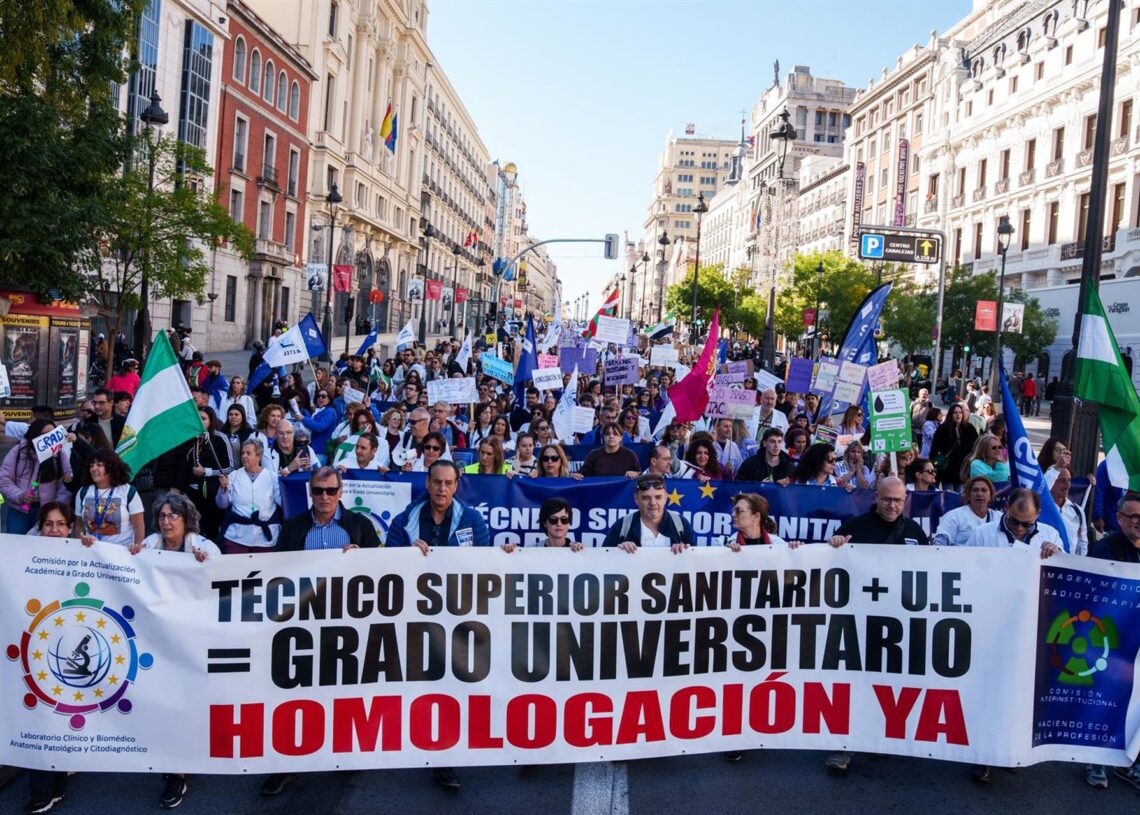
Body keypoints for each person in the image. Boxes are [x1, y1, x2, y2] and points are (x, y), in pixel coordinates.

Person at [23, 502, 78, 814]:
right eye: (48, 525)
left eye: (60, 524)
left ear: (70, 528)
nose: (54, 530)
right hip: (33, 650)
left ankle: (56, 783)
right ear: (40, 528)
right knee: (36, 716)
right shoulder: (22, 557)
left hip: (69, 652)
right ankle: (40, 790)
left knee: (61, 716)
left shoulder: (86, 556)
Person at [388, 459, 490, 556]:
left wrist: (504, 554)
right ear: (427, 483)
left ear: (455, 486)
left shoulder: (473, 520)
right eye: (437, 482)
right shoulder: (401, 522)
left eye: (448, 483)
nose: (442, 489)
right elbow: (388, 562)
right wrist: (406, 554)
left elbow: (485, 561)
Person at [276, 466, 382, 552]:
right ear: (310, 492)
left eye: (331, 491)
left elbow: (377, 564)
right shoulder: (291, 527)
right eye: (318, 490)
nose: (324, 497)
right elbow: (279, 567)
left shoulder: (361, 524)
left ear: (340, 492)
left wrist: (362, 555)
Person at [1, 418, 74, 533]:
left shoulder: (59, 455)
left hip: (46, 513)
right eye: (45, 435)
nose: (49, 439)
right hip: (19, 510)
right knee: (16, 546)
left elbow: (67, 483)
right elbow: (4, 479)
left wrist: (56, 506)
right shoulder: (19, 451)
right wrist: (20, 495)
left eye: (52, 434)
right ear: (34, 435)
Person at [216, 439, 281, 554]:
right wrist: (223, 489)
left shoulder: (272, 477)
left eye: (248, 453)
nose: (244, 456)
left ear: (259, 456)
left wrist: (287, 480)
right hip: (236, 535)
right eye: (242, 453)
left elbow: (282, 501)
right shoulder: (234, 476)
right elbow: (222, 504)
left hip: (264, 538)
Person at [826, 477, 929, 548]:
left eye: (897, 500)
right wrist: (834, 544)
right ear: (876, 497)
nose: (892, 505)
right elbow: (831, 560)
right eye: (887, 499)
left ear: (905, 499)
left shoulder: (915, 529)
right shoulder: (854, 526)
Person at [602, 474, 693, 553]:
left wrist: (685, 551)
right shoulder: (622, 526)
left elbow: (694, 561)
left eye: (658, 497)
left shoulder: (680, 524)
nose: (653, 503)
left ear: (665, 497)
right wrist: (618, 551)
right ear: (636, 499)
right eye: (646, 498)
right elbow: (604, 558)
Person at [962, 487, 1063, 555]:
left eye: (1026, 524)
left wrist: (1057, 554)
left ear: (1037, 514)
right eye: (1014, 521)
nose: (1019, 528)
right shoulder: (981, 534)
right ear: (1006, 508)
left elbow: (1064, 567)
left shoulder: (1051, 535)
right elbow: (964, 564)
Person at [75, 449, 144, 547]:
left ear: (111, 468)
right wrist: (80, 544)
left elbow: (139, 527)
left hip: (121, 553)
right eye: (91, 465)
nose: (94, 469)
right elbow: (79, 525)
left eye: (99, 465)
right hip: (91, 554)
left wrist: (137, 547)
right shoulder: (83, 492)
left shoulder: (128, 491)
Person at [134, 492, 221, 561]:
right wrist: (134, 554)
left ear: (187, 520)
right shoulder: (148, 544)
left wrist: (205, 562)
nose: (165, 522)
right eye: (162, 516)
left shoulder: (207, 548)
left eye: (172, 516)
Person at [931, 476, 998, 546]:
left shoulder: (999, 518)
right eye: (975, 490)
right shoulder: (954, 516)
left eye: (984, 490)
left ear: (990, 495)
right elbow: (939, 545)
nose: (979, 494)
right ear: (968, 495)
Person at [715, 492, 792, 549]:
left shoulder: (778, 545)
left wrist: (797, 550)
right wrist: (725, 554)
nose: (733, 514)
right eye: (733, 510)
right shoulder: (723, 543)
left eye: (739, 510)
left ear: (756, 516)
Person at [929, 403, 978, 491]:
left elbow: (976, 445)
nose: (958, 415)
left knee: (960, 497)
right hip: (947, 470)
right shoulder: (943, 429)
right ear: (950, 414)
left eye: (960, 412)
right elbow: (935, 448)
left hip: (963, 469)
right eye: (955, 413)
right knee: (949, 496)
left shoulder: (969, 428)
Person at [1045, 467, 1089, 556]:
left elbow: (1082, 542)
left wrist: (1078, 562)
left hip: (1068, 564)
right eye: (1062, 480)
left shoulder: (1078, 511)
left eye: (1069, 480)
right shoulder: (1041, 510)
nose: (1067, 485)